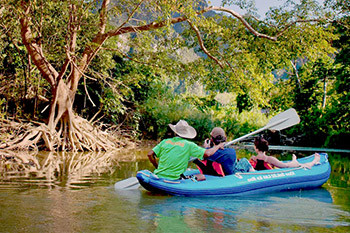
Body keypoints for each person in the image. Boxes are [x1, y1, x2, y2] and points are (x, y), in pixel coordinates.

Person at [147, 120, 224, 180]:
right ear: (187, 133)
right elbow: (207, 153)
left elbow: (150, 154)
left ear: (175, 132)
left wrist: (156, 166)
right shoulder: (189, 145)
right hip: (174, 179)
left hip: (158, 175)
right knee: (201, 176)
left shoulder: (165, 142)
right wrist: (218, 146)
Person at [250, 136, 320, 170]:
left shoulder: (253, 158)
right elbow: (285, 166)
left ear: (256, 148)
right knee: (297, 165)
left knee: (291, 164)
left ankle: (294, 161)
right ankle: (314, 161)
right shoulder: (269, 159)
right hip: (268, 173)